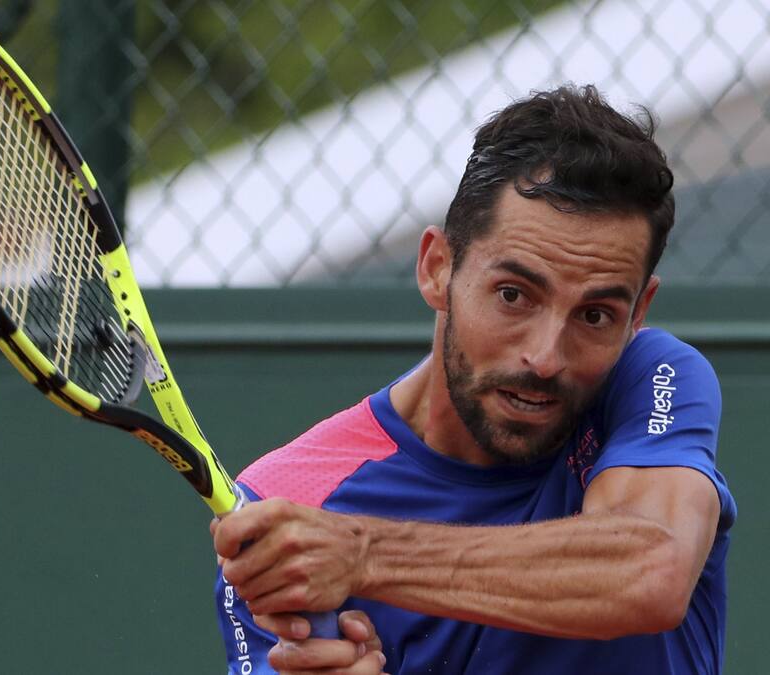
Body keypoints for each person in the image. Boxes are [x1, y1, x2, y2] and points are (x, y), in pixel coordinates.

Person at [211, 84, 736, 675]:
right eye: (513, 295)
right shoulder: (290, 503)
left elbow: (651, 569)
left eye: (595, 316)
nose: (545, 358)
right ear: (437, 268)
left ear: (638, 314)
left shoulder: (652, 374)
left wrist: (363, 555)